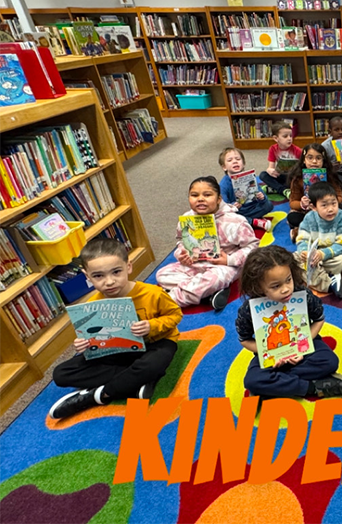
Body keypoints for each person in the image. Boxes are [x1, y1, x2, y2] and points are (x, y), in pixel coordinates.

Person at [49, 238, 182, 419]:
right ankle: (137, 380)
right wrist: (84, 344)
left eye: (116, 272)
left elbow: (176, 315)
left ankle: (98, 396)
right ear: (87, 276)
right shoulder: (92, 304)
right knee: (61, 374)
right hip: (117, 351)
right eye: (98, 276)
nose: (109, 282)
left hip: (156, 343)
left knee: (152, 364)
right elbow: (92, 334)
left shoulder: (153, 293)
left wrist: (152, 326)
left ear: (129, 267)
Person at [236, 246, 342, 400]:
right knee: (252, 380)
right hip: (271, 355)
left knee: (330, 361)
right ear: (258, 286)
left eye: (288, 280)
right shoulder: (248, 310)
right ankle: (313, 388)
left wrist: (301, 347)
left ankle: (275, 387)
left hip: (304, 346)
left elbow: (319, 319)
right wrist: (271, 355)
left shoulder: (302, 294)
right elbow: (244, 339)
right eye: (276, 286)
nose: (286, 289)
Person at [156, 176, 259, 311]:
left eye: (207, 195)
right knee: (162, 275)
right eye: (194, 195)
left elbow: (252, 247)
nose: (200, 199)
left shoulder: (236, 221)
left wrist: (229, 259)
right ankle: (206, 294)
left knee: (214, 279)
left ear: (219, 199)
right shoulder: (187, 219)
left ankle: (170, 300)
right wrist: (182, 253)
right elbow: (180, 240)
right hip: (195, 263)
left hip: (224, 266)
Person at [295, 182, 342, 300]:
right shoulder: (309, 218)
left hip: (337, 252)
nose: (331, 209)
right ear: (313, 207)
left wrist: (322, 255)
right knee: (293, 259)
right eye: (324, 205)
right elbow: (302, 238)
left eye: (334, 203)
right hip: (314, 252)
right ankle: (331, 281)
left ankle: (317, 275)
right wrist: (304, 252)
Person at [286, 143, 342, 242]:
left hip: (326, 209)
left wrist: (329, 202)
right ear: (304, 160)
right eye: (310, 158)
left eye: (318, 158)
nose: (314, 161)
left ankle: (304, 231)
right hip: (306, 211)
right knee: (292, 217)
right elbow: (292, 203)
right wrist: (302, 204)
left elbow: (339, 197)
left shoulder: (329, 176)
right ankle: (315, 230)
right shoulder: (298, 179)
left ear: (323, 161)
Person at [217, 147, 273, 231]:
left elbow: (261, 194)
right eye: (230, 160)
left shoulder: (249, 178)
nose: (235, 161)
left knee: (268, 205)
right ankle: (253, 221)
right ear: (224, 167)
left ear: (243, 164)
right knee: (227, 217)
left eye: (238, 159)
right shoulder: (223, 184)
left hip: (252, 207)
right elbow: (223, 205)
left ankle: (246, 220)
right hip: (237, 212)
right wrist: (232, 206)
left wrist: (261, 197)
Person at [263, 121, 301, 198]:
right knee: (263, 175)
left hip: (292, 177)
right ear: (276, 138)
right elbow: (271, 167)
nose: (289, 139)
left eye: (291, 136)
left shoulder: (297, 150)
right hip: (280, 175)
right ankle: (284, 190)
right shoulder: (273, 149)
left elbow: (302, 168)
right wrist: (270, 170)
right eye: (285, 136)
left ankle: (275, 188)